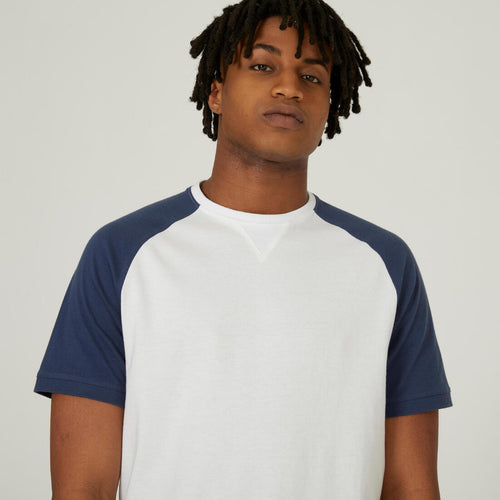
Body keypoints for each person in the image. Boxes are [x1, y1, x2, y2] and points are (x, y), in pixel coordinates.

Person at [34, 0, 453, 498]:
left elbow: (410, 486)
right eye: (262, 66)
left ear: (329, 106)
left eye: (312, 76)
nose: (289, 87)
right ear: (216, 92)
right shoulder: (123, 253)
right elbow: (83, 486)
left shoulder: (384, 264)